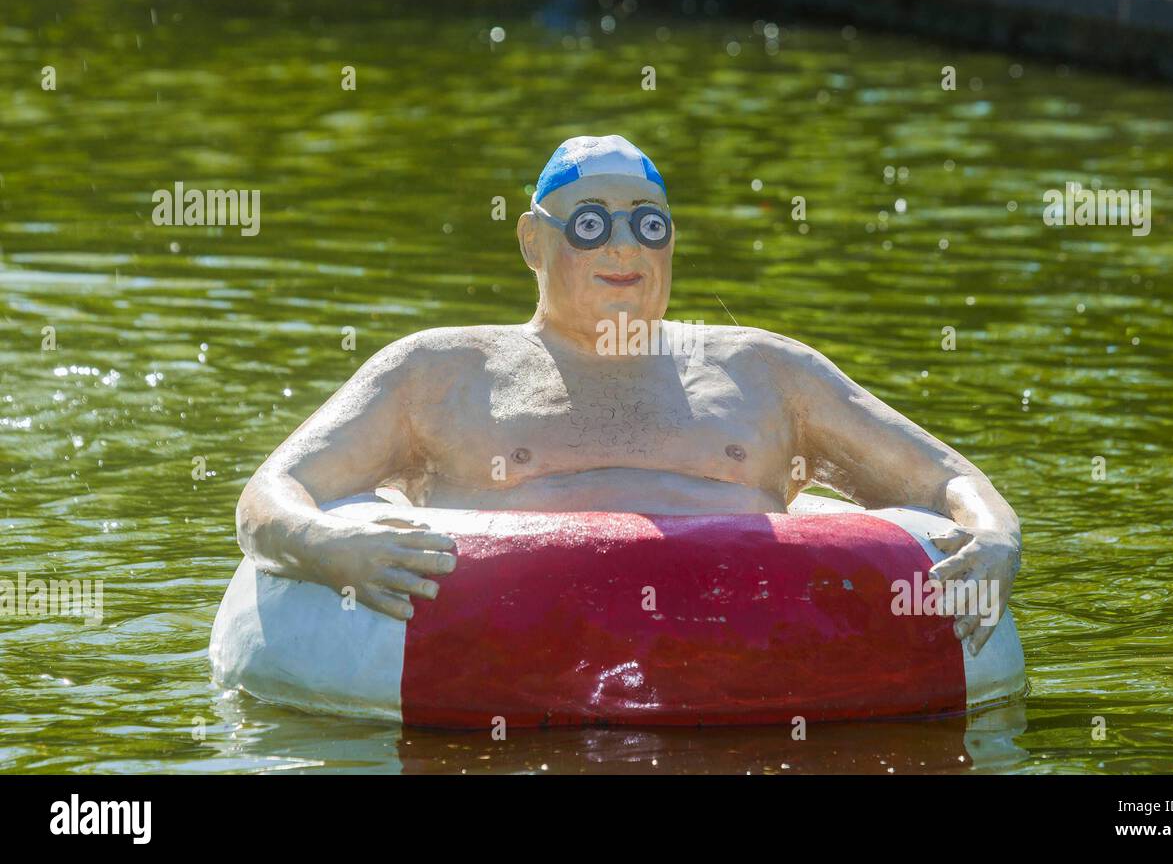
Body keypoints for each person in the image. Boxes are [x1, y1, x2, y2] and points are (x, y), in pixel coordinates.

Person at [235, 135, 1021, 654]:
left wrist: (995, 542)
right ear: (532, 240)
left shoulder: (766, 371)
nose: (623, 246)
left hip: (750, 666)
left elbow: (945, 480)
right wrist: (329, 547)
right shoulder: (439, 371)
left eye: (648, 225)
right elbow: (276, 493)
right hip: (499, 675)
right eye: (591, 226)